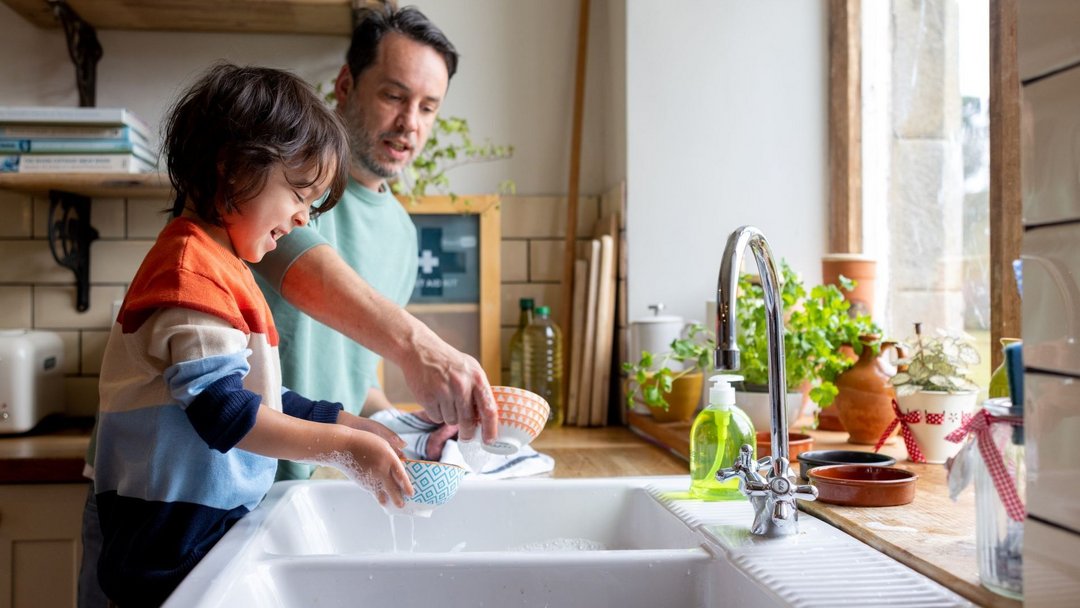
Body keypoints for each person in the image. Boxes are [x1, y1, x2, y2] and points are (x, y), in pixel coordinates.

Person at [90, 63, 413, 607]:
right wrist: (345, 448)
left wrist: (346, 421)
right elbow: (226, 414)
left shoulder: (225, 267)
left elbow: (257, 397)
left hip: (194, 539)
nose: (303, 220)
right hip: (165, 552)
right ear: (235, 168)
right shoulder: (189, 272)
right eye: (300, 196)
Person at [252, 4, 494, 479]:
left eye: (428, 107)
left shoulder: (402, 235)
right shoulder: (279, 172)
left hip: (288, 489)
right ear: (346, 86)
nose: (410, 123)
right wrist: (419, 347)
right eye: (393, 96)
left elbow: (353, 378)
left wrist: (405, 427)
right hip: (185, 486)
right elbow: (303, 271)